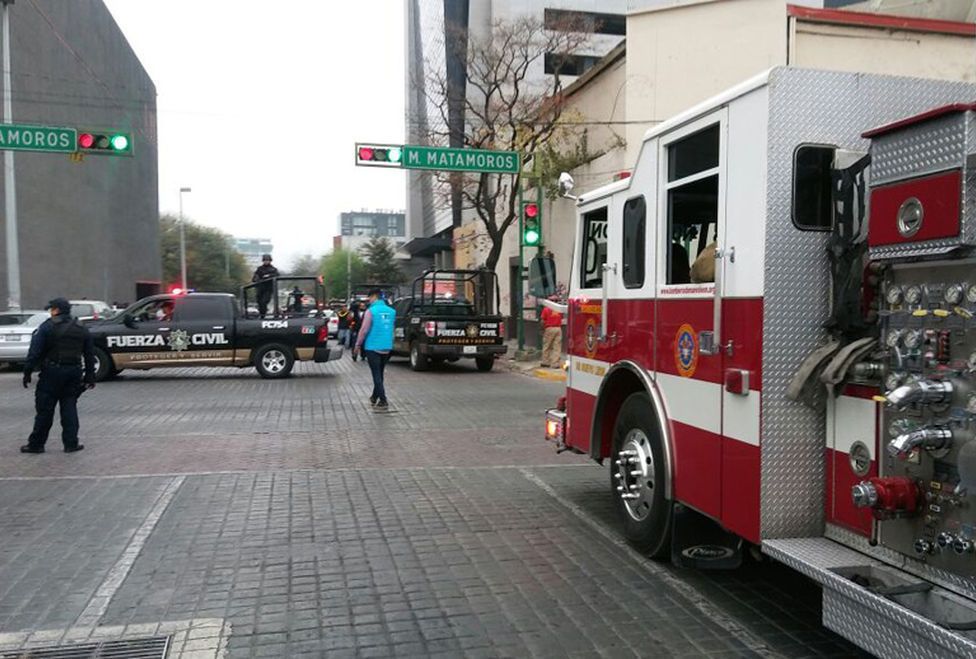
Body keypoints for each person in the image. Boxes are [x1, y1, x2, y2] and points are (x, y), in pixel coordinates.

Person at [20, 298, 95, 454]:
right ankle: (71, 443)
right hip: (74, 372)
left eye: (52, 309)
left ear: (56, 310)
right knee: (69, 408)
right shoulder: (81, 328)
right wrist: (90, 376)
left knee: (45, 410)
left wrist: (27, 372)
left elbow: (35, 352)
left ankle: (36, 444)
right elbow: (89, 354)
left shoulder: (47, 327)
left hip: (51, 373)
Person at [354, 289, 396, 409]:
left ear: (374, 297)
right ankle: (374, 396)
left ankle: (383, 399)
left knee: (376, 374)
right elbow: (392, 329)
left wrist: (357, 344)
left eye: (370, 298)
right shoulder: (392, 311)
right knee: (380, 373)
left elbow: (364, 330)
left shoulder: (370, 311)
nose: (369, 300)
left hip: (372, 346)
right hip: (387, 346)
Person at [540, 294, 564, 368]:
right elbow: (561, 318)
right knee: (557, 347)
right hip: (558, 329)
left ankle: (545, 362)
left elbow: (542, 321)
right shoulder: (559, 309)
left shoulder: (546, 309)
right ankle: (555, 364)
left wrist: (542, 329)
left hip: (549, 328)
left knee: (547, 346)